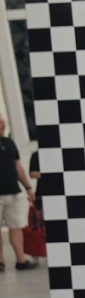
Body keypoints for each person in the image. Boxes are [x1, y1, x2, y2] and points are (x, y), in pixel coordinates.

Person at [0, 114, 37, 271]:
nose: (3, 126)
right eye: (0, 123)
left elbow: (18, 167)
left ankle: (20, 260)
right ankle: (0, 262)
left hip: (13, 192)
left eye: (3, 123)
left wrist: (28, 188)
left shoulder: (9, 143)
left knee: (16, 226)